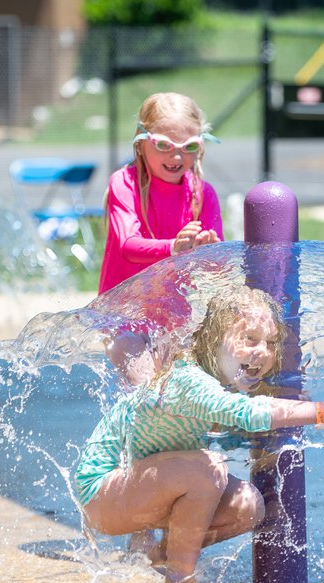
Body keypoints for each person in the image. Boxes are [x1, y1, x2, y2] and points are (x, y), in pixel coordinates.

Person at [74, 286, 324, 583]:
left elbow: (233, 420)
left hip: (143, 487)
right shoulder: (187, 380)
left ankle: (162, 556)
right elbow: (248, 413)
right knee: (210, 468)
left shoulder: (214, 381)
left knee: (248, 505)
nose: (262, 351)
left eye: (271, 343)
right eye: (249, 338)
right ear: (215, 338)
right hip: (102, 490)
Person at [98, 92, 225, 384]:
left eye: (188, 146)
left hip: (175, 322)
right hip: (122, 319)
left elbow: (217, 271)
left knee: (186, 398)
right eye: (164, 146)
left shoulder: (203, 194)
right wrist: (174, 247)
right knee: (149, 394)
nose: (177, 156)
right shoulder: (124, 183)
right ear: (142, 144)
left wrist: (210, 254)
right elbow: (128, 246)